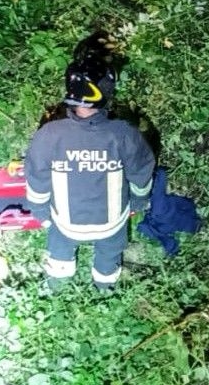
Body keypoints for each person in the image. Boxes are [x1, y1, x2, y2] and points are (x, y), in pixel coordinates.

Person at [24, 56, 156, 292]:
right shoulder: (123, 134)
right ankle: (105, 289)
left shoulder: (49, 134)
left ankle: (57, 287)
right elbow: (141, 174)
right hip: (112, 226)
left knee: (59, 248)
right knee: (110, 253)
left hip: (65, 225)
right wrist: (138, 202)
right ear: (105, 91)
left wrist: (42, 214)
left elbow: (36, 180)